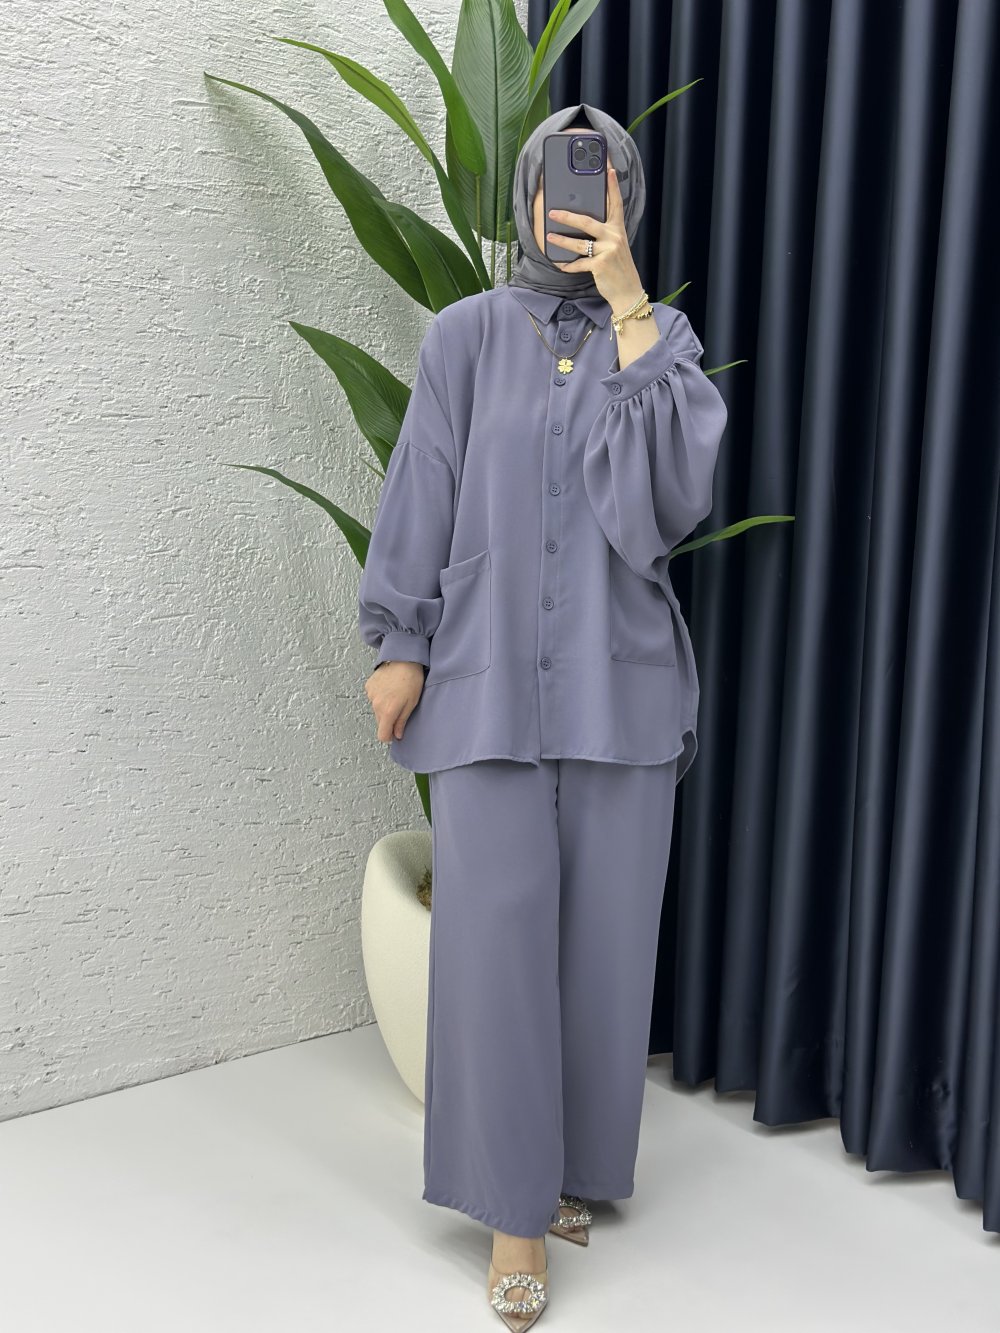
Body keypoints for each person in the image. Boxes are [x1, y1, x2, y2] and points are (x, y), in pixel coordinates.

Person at [359, 102, 728, 1328]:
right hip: (482, 681)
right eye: (564, 182)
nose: (578, 200)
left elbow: (661, 506)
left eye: (603, 180)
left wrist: (628, 306)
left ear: (629, 195)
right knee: (495, 943)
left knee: (606, 950)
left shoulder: (659, 339)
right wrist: (399, 642)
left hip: (621, 683)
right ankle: (514, 1213)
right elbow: (423, 484)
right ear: (526, 195)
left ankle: (566, 1171)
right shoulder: (465, 335)